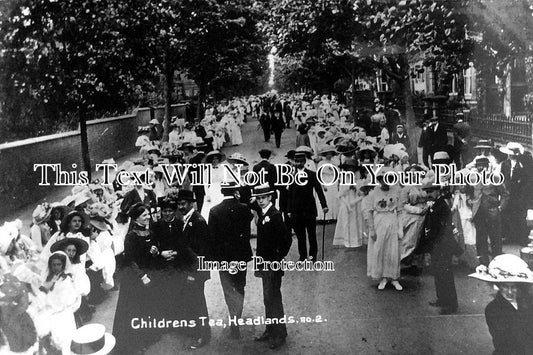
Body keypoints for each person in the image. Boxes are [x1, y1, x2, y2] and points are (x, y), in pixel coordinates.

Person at [112, 203, 160, 354]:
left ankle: (148, 337)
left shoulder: (149, 233)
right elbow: (130, 260)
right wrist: (142, 276)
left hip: (147, 274)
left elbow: (148, 253)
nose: (148, 217)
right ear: (136, 218)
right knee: (134, 310)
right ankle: (134, 343)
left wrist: (154, 251)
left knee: (147, 306)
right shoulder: (131, 236)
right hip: (134, 278)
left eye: (148, 214)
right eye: (144, 215)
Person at [207, 183, 253, 339]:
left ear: (221, 191)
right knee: (240, 286)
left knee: (228, 289)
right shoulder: (244, 208)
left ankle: (233, 318)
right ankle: (237, 319)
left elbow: (212, 239)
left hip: (223, 258)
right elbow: (247, 234)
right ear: (236, 192)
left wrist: (215, 259)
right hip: (240, 255)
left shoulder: (214, 211)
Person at [251, 185, 292, 350]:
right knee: (268, 297)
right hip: (264, 262)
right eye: (258, 198)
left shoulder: (274, 215)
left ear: (270, 198)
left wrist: (278, 257)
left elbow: (287, 239)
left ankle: (279, 334)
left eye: (263, 198)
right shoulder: (263, 214)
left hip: (272, 265)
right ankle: (270, 329)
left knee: (273, 298)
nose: (260, 201)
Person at [469, 254, 533, 354]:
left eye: (514, 287)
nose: (510, 292)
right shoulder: (492, 309)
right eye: (505, 287)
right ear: (498, 286)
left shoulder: (528, 301)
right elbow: (504, 341)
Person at [176, 190, 212, 349]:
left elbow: (202, 251)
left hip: (196, 271)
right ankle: (196, 330)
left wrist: (193, 274)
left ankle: (203, 334)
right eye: (179, 204)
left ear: (191, 203)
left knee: (198, 302)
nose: (180, 207)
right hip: (190, 269)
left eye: (183, 204)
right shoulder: (187, 219)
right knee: (192, 300)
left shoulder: (198, 221)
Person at [422, 177, 462, 315]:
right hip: (436, 244)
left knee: (445, 274)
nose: (429, 194)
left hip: (443, 244)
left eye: (431, 191)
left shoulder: (442, 205)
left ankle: (451, 304)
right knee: (438, 272)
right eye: (427, 191)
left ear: (438, 191)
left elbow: (444, 228)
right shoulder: (435, 204)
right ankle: (442, 298)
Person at [365, 167, 403, 291]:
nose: (385, 182)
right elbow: (369, 212)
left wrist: (400, 228)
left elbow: (400, 211)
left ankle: (393, 278)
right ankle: (382, 278)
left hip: (392, 221)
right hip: (379, 222)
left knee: (392, 250)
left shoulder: (397, 191)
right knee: (380, 249)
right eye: (382, 179)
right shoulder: (373, 193)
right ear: (379, 180)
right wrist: (371, 229)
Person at [467, 157, 509, 266]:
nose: (481, 168)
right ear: (476, 167)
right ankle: (483, 264)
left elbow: (505, 194)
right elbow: (469, 192)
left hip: (493, 212)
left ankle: (497, 263)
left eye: (483, 165)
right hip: (478, 213)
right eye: (479, 165)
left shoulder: (495, 177)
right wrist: (469, 201)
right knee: (481, 239)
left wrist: (500, 208)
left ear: (488, 166)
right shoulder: (472, 178)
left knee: (495, 239)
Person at [287, 152, 328, 261]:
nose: (298, 163)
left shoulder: (312, 175)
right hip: (297, 211)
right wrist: (289, 210)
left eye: (300, 161)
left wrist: (324, 205)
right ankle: (303, 256)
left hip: (309, 210)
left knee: (312, 235)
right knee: (300, 236)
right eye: (296, 161)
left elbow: (319, 191)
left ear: (304, 162)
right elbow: (289, 195)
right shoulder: (291, 176)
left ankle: (313, 256)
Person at [332, 159, 364, 248]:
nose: (350, 170)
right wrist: (347, 203)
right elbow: (340, 194)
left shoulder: (358, 180)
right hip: (345, 203)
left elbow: (361, 193)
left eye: (352, 169)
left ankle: (356, 241)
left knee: (356, 222)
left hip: (356, 204)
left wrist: (356, 188)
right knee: (346, 222)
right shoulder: (344, 180)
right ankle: (346, 241)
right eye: (348, 169)